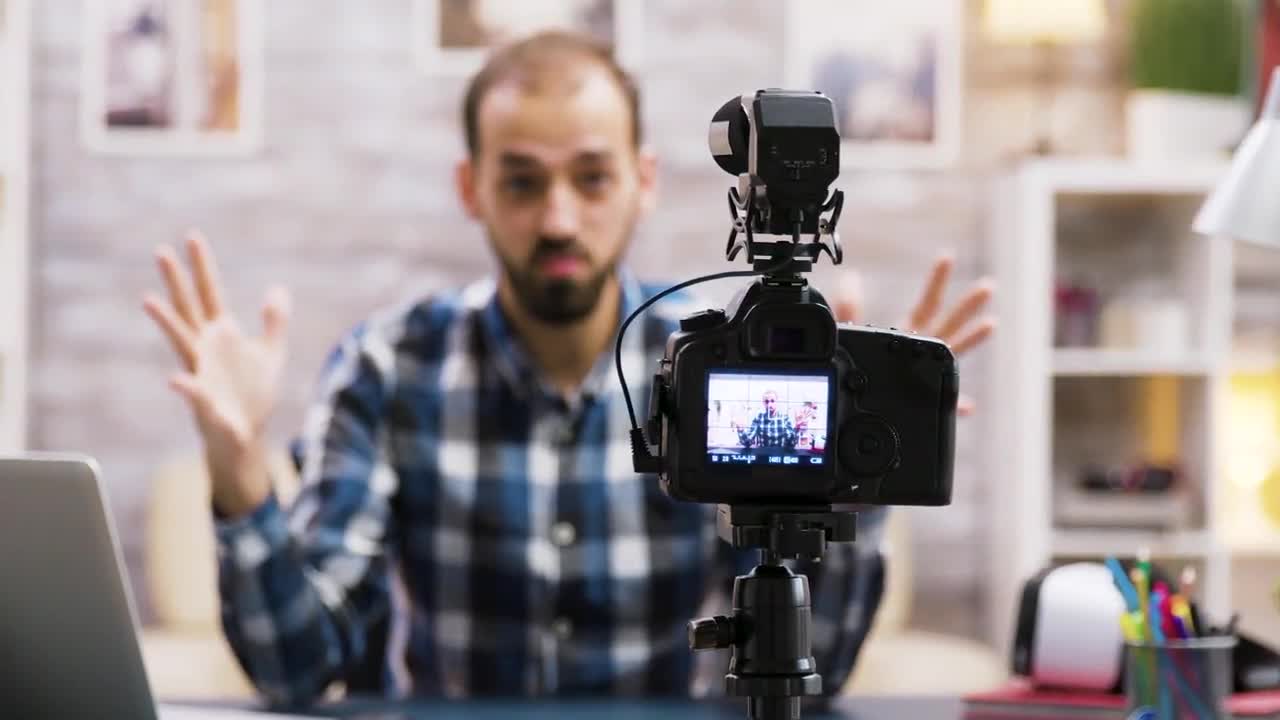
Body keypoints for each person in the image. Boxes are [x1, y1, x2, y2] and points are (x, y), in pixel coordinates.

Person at [141, 31, 995, 707]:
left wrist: (852, 477)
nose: (559, 219)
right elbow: (296, 668)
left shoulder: (716, 365)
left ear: (643, 181)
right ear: (471, 188)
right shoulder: (387, 366)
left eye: (592, 178)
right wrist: (241, 473)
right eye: (522, 183)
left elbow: (820, 672)